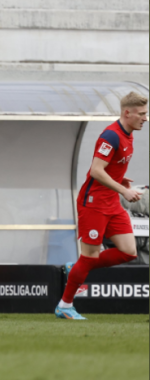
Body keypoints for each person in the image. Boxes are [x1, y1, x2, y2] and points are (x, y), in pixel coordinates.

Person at [55, 91, 148, 320]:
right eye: (141, 114)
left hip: (111, 202)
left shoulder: (128, 134)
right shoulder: (111, 136)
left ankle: (79, 267)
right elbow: (96, 171)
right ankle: (65, 306)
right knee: (90, 256)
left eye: (146, 114)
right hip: (94, 203)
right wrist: (124, 190)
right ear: (127, 113)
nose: (145, 118)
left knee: (128, 251)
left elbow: (108, 167)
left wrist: (119, 179)